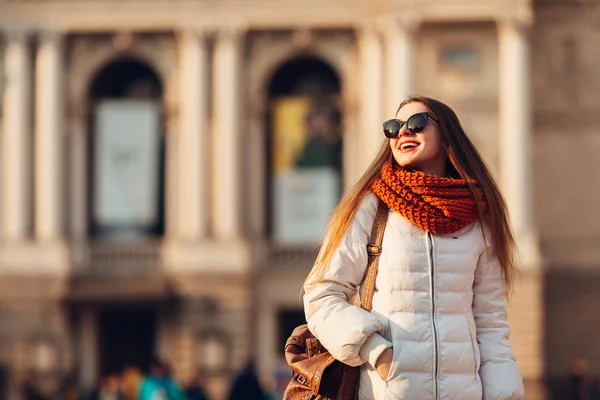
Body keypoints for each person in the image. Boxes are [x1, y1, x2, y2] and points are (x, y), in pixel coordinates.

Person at [302, 95, 525, 400]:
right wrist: (378, 354)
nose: (403, 132)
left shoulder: (477, 216)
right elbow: (321, 295)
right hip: (387, 392)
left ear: (447, 135)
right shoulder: (370, 207)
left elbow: (490, 321)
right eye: (393, 128)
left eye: (417, 123)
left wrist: (503, 394)